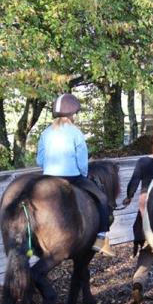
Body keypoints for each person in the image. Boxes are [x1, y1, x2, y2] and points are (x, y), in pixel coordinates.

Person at [36, 93, 116, 257]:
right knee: (101, 198)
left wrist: (49, 169)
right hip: (71, 177)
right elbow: (81, 161)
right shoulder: (75, 133)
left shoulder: (45, 133)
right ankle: (101, 240)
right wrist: (84, 175)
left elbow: (40, 160)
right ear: (72, 114)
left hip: (49, 177)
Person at [122, 132, 153, 302]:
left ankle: (138, 283)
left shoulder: (143, 161)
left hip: (146, 207)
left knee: (147, 249)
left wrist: (129, 197)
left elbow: (133, 181)